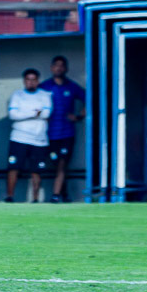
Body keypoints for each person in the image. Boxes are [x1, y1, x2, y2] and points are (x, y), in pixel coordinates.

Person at [39, 55, 86, 203]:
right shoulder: (45, 87)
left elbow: (90, 98)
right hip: (49, 134)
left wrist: (79, 116)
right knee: (55, 164)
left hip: (67, 133)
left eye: (61, 65)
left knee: (62, 163)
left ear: (66, 68)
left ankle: (55, 195)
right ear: (52, 68)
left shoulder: (72, 87)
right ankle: (63, 193)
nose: (59, 68)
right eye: (56, 65)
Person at [6, 68, 53, 203]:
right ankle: (10, 197)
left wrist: (24, 113)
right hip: (19, 138)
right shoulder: (17, 95)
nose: (30, 82)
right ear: (24, 81)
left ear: (37, 81)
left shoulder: (45, 95)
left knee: (36, 170)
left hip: (39, 139)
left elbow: (46, 114)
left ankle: (36, 198)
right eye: (28, 80)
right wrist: (33, 113)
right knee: (13, 167)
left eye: (33, 80)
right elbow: (13, 115)